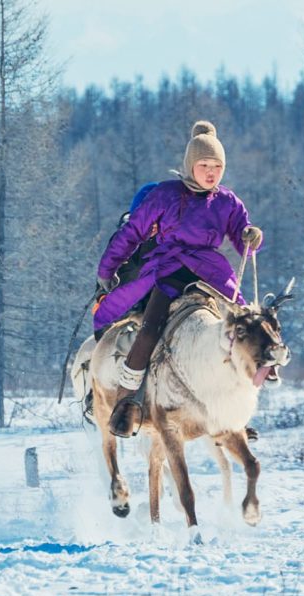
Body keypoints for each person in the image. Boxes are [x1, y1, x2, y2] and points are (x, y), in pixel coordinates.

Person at [94, 121, 263, 437]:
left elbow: (244, 241)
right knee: (149, 330)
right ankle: (126, 403)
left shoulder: (227, 201)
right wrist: (108, 268)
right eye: (204, 165)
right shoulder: (165, 195)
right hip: (171, 270)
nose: (211, 172)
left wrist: (251, 237)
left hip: (212, 276)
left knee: (242, 327)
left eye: (217, 166)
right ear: (190, 165)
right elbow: (132, 233)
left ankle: (237, 413)